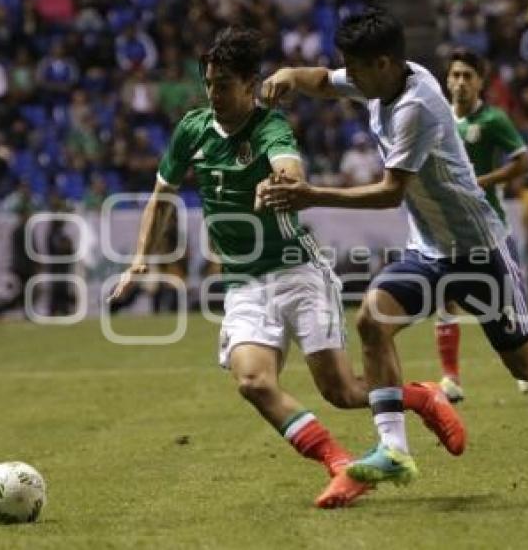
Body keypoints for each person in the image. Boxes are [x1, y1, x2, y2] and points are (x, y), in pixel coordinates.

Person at [260, 8, 528, 486]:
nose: (347, 75)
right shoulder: (380, 78)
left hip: (479, 252)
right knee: (373, 322)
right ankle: (393, 449)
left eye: (355, 67)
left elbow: (391, 192)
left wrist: (310, 195)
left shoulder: (417, 104)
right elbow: (323, 81)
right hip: (431, 251)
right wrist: (290, 73)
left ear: (384, 63)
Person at [108, 27, 465, 508]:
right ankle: (340, 464)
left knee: (341, 391)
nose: (213, 93)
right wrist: (137, 262)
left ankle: (421, 397)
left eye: (224, 84)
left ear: (249, 83)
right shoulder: (191, 130)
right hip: (244, 283)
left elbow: (291, 168)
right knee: (253, 383)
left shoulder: (269, 127)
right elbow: (160, 200)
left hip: (299, 272)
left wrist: (281, 180)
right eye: (209, 83)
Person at [435, 48, 528, 402]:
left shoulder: (493, 120)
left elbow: (523, 163)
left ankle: (525, 363)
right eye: (455, 75)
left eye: (468, 76)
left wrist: (483, 181)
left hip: (488, 227)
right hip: (446, 228)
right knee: (445, 297)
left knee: (507, 298)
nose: (460, 83)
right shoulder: (438, 118)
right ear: (446, 80)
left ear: (480, 83)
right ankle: (451, 379)